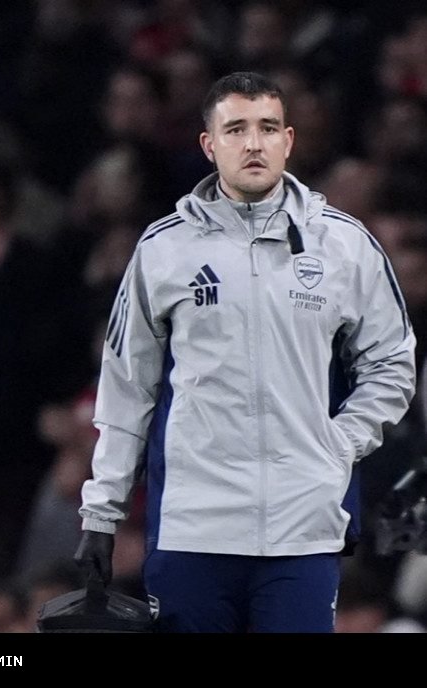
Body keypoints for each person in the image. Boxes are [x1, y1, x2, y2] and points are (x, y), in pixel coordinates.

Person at [75, 72, 417, 633]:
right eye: (235, 129)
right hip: (193, 528)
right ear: (210, 145)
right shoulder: (164, 250)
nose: (253, 143)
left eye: (266, 128)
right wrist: (102, 512)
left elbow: (393, 363)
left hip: (303, 527)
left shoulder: (345, 244)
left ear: (289, 140)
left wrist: (338, 443)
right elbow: (126, 388)